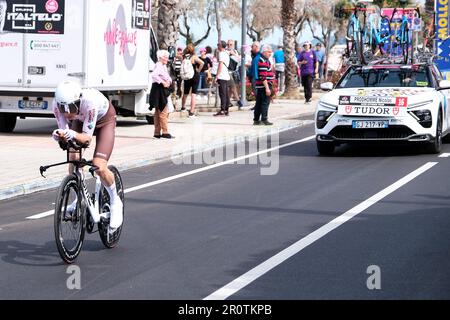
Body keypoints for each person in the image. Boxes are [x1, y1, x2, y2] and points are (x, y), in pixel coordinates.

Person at [51, 81, 123, 233]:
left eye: (70, 107)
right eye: (62, 108)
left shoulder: (89, 102)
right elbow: (65, 132)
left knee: (99, 166)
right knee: (73, 158)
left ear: (78, 101)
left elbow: (86, 139)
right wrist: (60, 135)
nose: (66, 112)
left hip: (104, 121)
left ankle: (116, 201)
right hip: (81, 120)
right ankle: (79, 198)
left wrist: (73, 134)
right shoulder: (57, 106)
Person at [149, 49, 174, 139]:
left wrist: (168, 81)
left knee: (158, 111)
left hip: (158, 90)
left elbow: (166, 77)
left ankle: (157, 132)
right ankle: (165, 132)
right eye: (165, 57)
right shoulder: (159, 65)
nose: (167, 59)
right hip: (160, 90)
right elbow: (154, 75)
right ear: (161, 58)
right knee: (163, 111)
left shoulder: (161, 66)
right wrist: (163, 82)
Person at [253, 44, 275, 126]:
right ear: (264, 52)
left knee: (259, 103)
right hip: (264, 85)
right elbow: (263, 76)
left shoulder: (265, 60)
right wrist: (267, 88)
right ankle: (264, 119)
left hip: (261, 86)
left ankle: (256, 119)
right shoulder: (263, 61)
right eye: (269, 52)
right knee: (265, 103)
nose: (270, 54)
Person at [181, 43, 204, 117]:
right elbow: (202, 63)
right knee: (193, 94)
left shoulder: (183, 57)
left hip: (186, 76)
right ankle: (191, 112)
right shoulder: (194, 57)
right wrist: (198, 70)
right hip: (194, 76)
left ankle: (183, 107)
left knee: (185, 93)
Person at [214, 40, 231, 116]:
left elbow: (220, 65)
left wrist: (217, 76)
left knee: (222, 93)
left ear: (221, 46)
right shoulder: (226, 53)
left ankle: (222, 110)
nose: (217, 46)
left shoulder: (221, 54)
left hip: (222, 75)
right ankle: (226, 109)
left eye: (218, 45)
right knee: (226, 93)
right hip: (226, 75)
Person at [226, 39, 242, 108]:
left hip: (234, 71)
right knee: (233, 87)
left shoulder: (236, 52)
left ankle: (228, 102)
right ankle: (238, 101)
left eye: (231, 44)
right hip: (228, 71)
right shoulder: (225, 52)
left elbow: (239, 60)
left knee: (231, 88)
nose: (229, 46)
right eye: (228, 44)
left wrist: (234, 54)